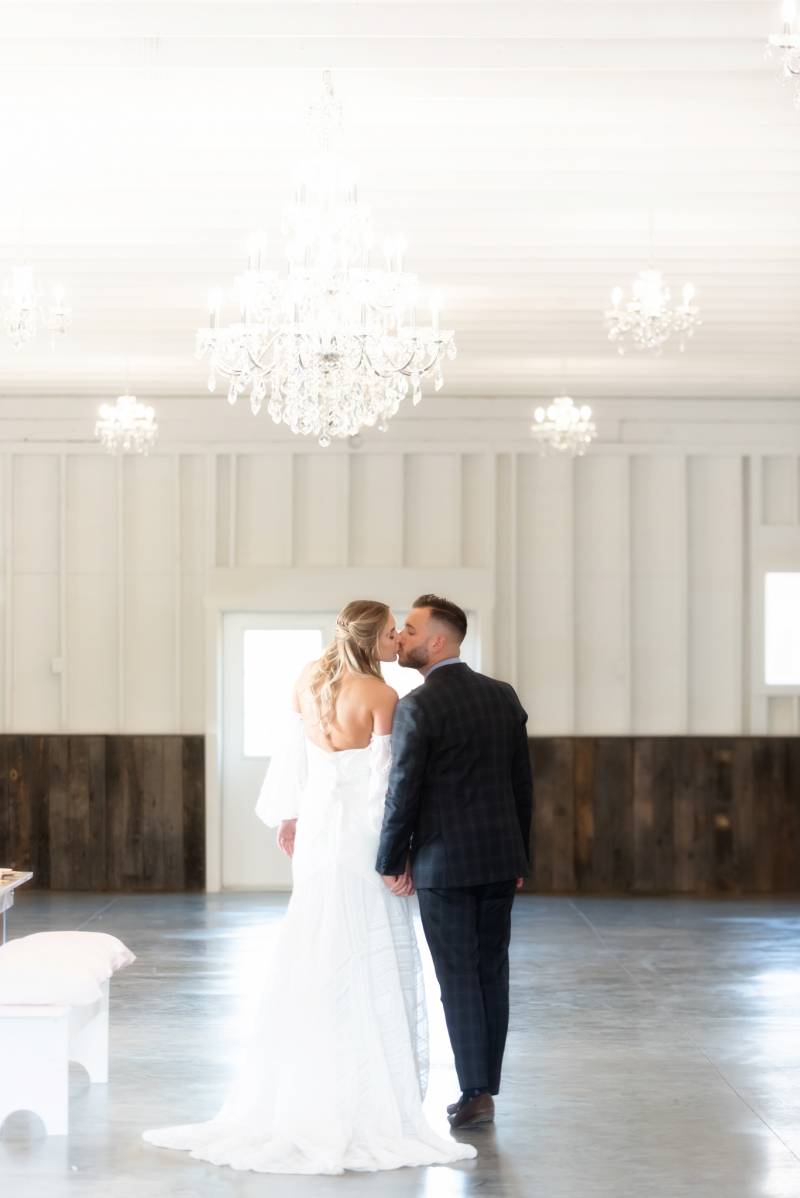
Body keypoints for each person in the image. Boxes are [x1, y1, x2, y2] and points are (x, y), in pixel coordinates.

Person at [143, 600, 476, 1175]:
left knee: (315, 945)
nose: (400, 639)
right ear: (374, 641)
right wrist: (395, 854)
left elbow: (294, 753)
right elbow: (384, 786)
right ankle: (365, 1092)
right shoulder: (381, 697)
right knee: (365, 948)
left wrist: (291, 816)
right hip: (360, 837)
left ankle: (304, 1082)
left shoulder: (307, 680)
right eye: (393, 632)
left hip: (319, 832)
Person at [376, 594, 532, 1130]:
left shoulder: (418, 706)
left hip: (444, 864)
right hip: (498, 859)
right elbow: (521, 787)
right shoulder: (502, 696)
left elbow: (404, 792)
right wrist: (521, 855)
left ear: (437, 641)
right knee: (493, 972)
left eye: (411, 630)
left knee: (459, 978)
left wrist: (390, 859)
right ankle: (484, 1086)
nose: (402, 639)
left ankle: (474, 1091)